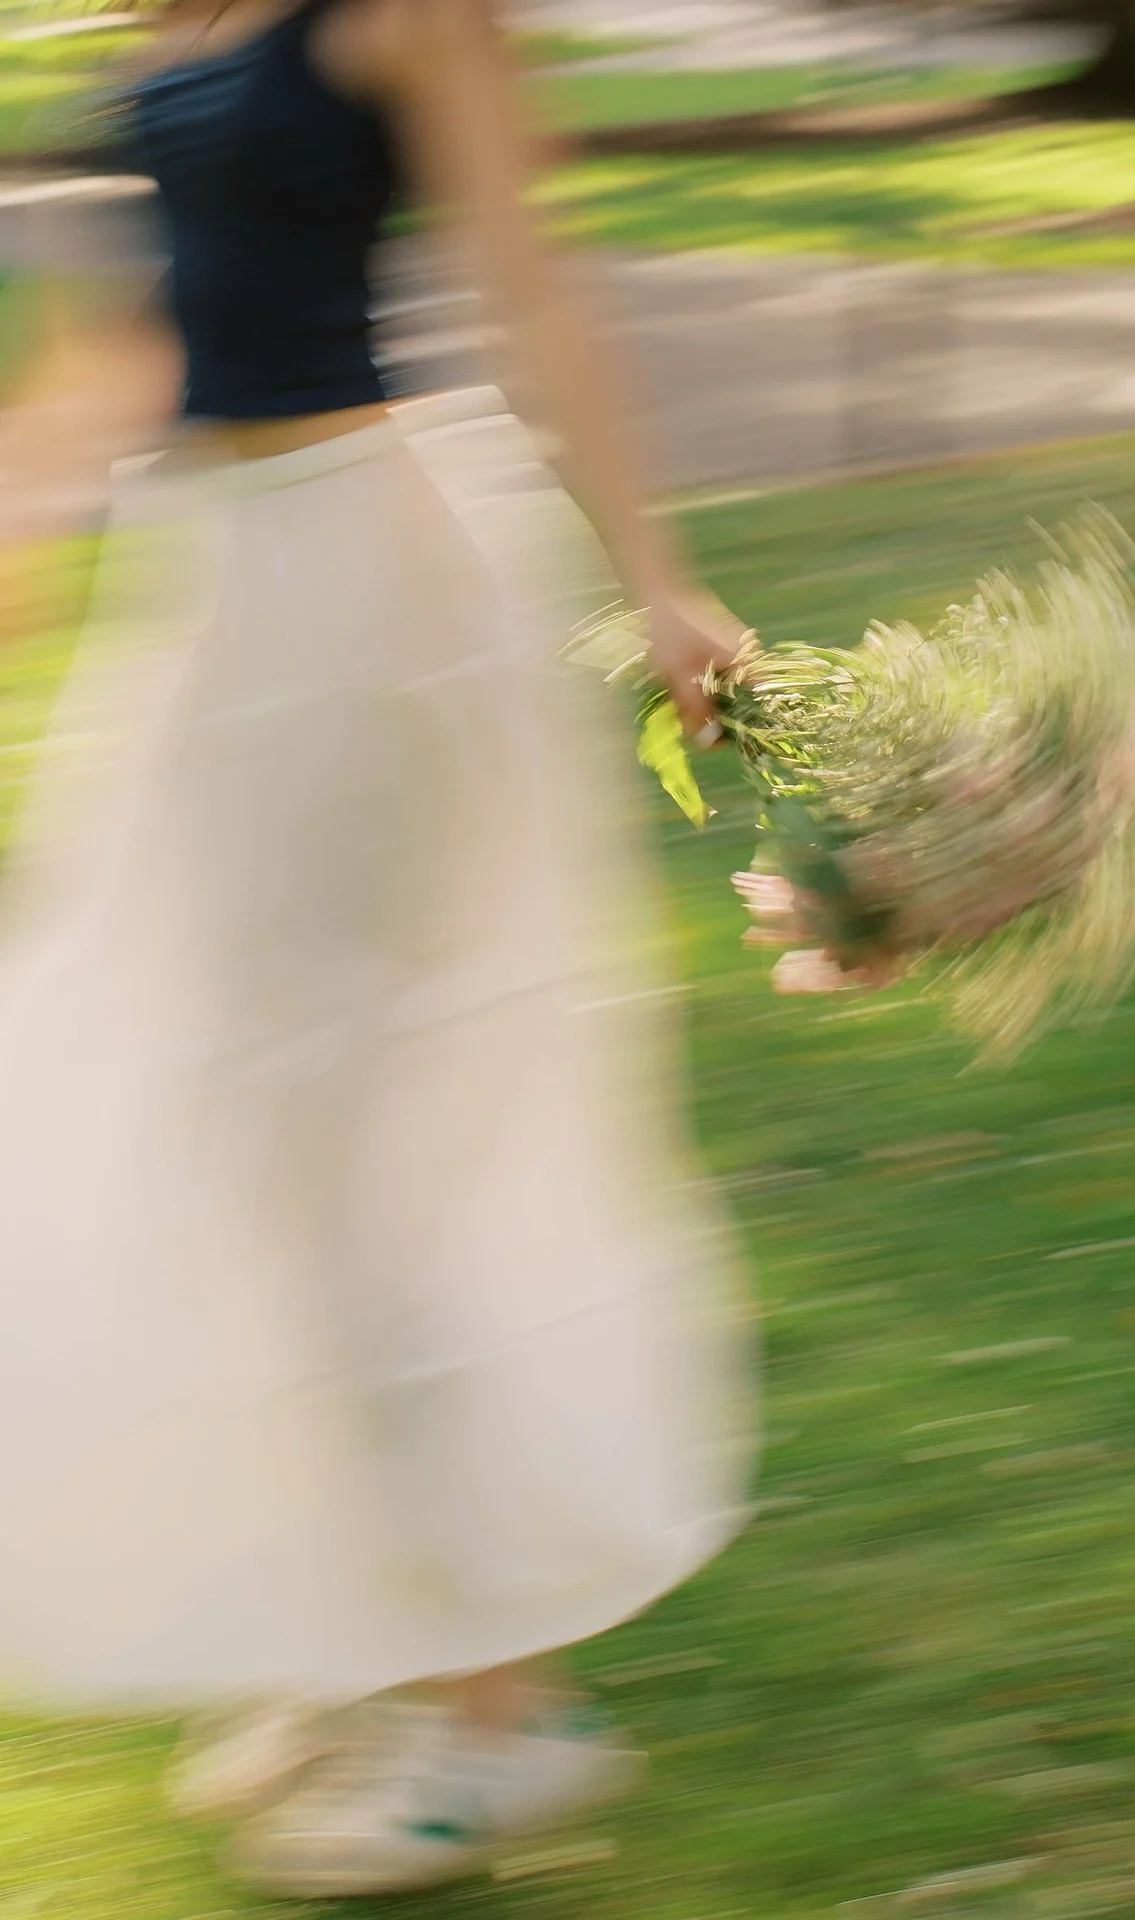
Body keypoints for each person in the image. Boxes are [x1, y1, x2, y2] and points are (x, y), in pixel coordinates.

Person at [0, 0, 755, 1898]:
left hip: (365, 586)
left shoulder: (416, 16)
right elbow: (149, 311)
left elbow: (538, 296)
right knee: (203, 1110)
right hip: (212, 582)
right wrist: (23, 496)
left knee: (347, 1143)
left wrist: (659, 573)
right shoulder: (174, 17)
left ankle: (498, 1720)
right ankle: (361, 1626)